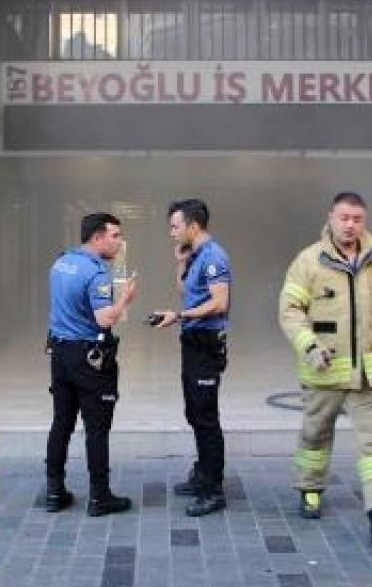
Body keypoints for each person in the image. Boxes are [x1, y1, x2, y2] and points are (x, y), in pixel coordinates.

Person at [277, 192, 372, 545]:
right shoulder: (308, 262)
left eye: (357, 219)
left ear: (364, 221)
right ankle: (310, 487)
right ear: (331, 218)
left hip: (371, 374)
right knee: (315, 434)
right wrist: (308, 344)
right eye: (344, 218)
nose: (350, 224)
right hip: (325, 370)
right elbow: (290, 310)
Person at [44, 213, 137, 517]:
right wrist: (125, 299)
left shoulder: (61, 262)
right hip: (89, 359)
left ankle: (54, 492)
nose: (119, 241)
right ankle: (100, 497)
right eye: (115, 236)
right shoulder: (98, 273)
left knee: (62, 423)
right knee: (97, 429)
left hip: (60, 355)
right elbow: (104, 319)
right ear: (97, 237)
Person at [150, 199, 232, 517]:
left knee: (206, 416)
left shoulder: (214, 256)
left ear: (192, 226)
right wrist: (180, 262)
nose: (171, 232)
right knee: (194, 411)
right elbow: (188, 291)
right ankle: (202, 474)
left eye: (175, 226)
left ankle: (213, 489)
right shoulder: (195, 255)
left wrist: (179, 316)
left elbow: (219, 302)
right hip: (193, 341)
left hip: (207, 342)